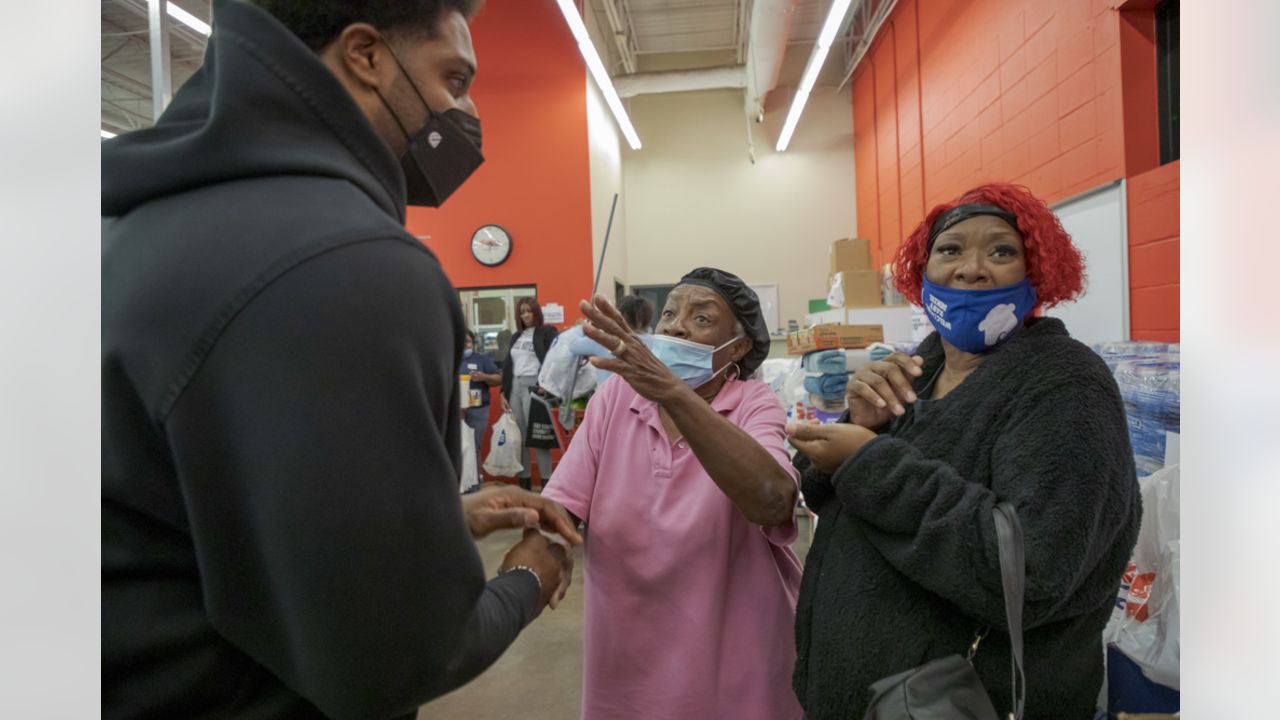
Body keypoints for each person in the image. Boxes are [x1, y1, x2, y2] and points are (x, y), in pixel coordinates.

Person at [101, 2, 580, 719]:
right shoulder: (350, 265)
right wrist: (527, 579)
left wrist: (428, 522)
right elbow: (393, 656)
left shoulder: (124, 229)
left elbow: (193, 517)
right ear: (365, 55)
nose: (465, 110)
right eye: (453, 78)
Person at [786, 183, 1141, 718]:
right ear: (921, 271)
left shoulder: (1065, 385)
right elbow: (833, 497)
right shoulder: (918, 369)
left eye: (1001, 251)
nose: (971, 268)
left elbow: (1033, 572)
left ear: (1036, 272)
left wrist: (869, 461)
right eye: (949, 250)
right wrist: (862, 427)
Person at [543, 269, 805, 720]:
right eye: (669, 313)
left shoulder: (752, 402)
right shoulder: (617, 399)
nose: (675, 326)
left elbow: (772, 500)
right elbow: (563, 503)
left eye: (701, 318)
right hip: (627, 653)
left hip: (734, 655)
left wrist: (671, 390)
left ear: (738, 348)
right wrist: (541, 552)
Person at [500, 297, 559, 490]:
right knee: (521, 439)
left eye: (529, 311)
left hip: (534, 386)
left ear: (536, 312)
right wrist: (503, 392)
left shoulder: (547, 332)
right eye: (522, 312)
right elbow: (509, 366)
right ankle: (524, 483)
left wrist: (548, 386)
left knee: (539, 438)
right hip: (515, 387)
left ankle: (546, 484)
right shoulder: (516, 336)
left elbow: (556, 359)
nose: (525, 315)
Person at [568, 293, 655, 385]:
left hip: (607, 397)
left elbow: (573, 345)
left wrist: (581, 327)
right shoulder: (655, 342)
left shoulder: (605, 339)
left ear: (622, 315)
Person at [462, 329, 501, 476]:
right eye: (461, 341)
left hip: (478, 410)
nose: (465, 345)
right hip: (455, 411)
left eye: (467, 341)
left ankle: (474, 482)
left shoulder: (482, 359)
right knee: (456, 447)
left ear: (473, 343)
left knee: (473, 446)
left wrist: (484, 376)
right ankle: (458, 484)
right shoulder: (448, 358)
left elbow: (498, 379)